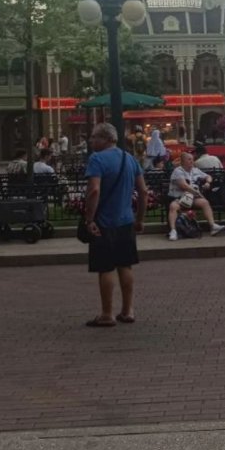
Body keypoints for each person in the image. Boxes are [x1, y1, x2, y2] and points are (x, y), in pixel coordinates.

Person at [83, 123, 147, 327]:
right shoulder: (129, 158)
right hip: (126, 220)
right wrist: (139, 219)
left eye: (94, 137)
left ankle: (107, 314)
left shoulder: (97, 159)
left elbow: (94, 190)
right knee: (125, 265)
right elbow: (143, 191)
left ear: (106, 139)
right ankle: (128, 310)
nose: (91, 140)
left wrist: (89, 219)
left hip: (104, 222)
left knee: (105, 268)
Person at [166, 151, 225, 240]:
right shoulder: (178, 171)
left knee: (204, 202)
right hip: (179, 198)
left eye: (192, 159)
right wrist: (198, 193)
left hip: (192, 198)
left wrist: (207, 182)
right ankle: (173, 231)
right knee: (173, 206)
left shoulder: (195, 170)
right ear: (183, 161)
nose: (192, 161)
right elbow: (184, 186)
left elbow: (208, 176)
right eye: (189, 159)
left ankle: (213, 226)